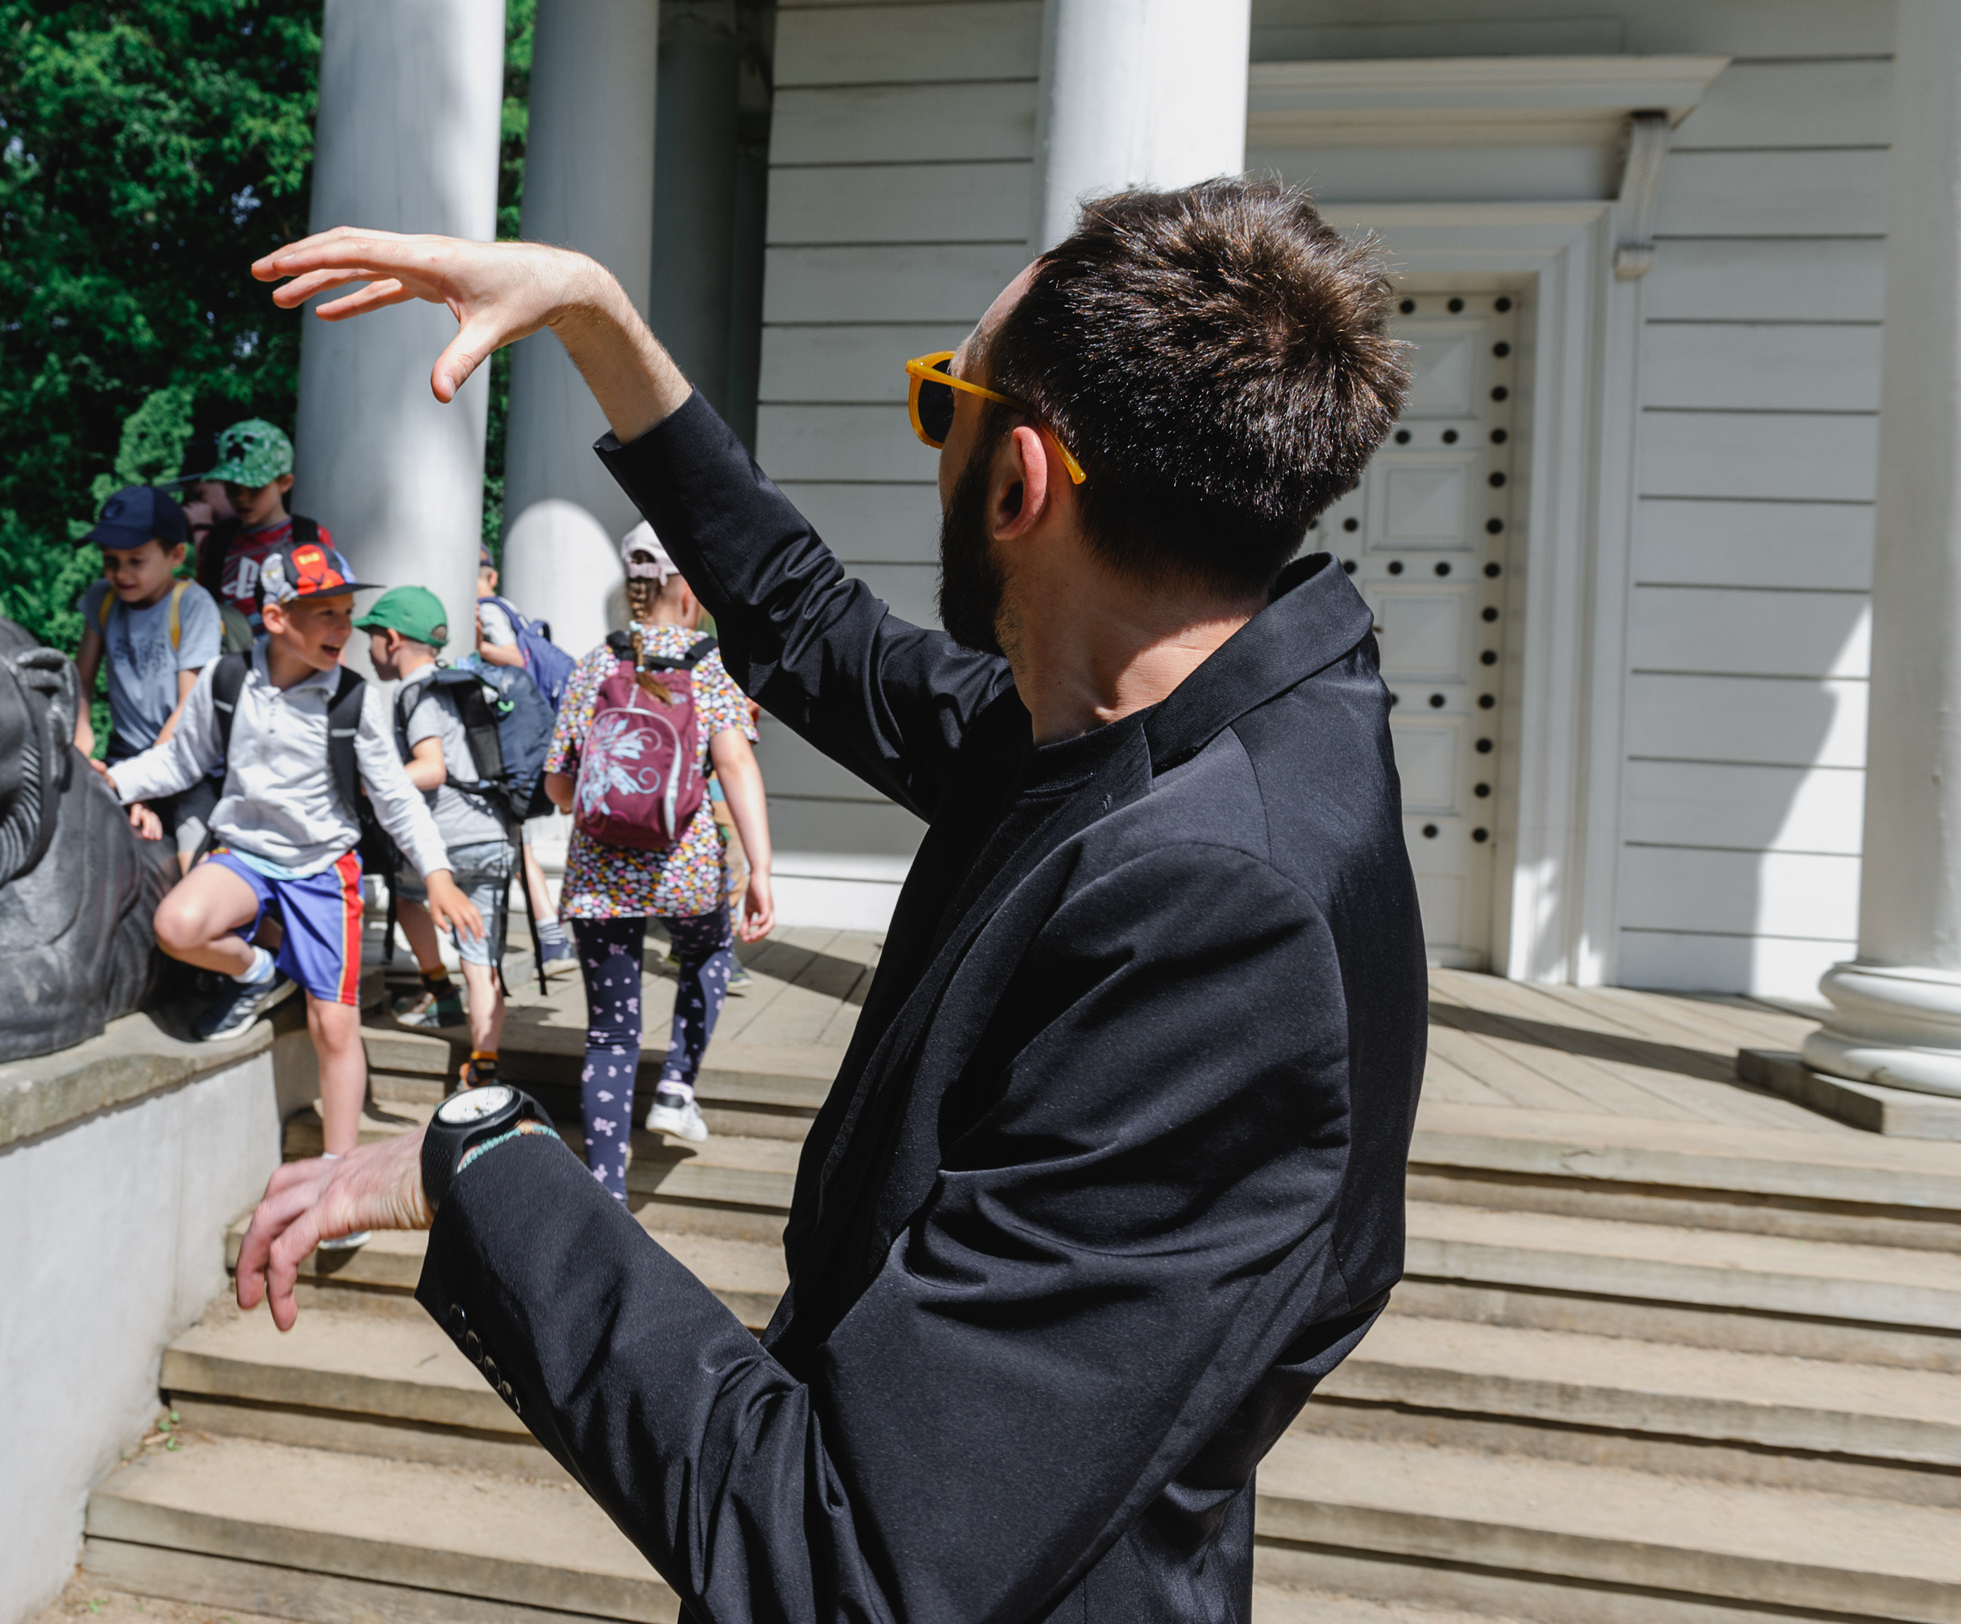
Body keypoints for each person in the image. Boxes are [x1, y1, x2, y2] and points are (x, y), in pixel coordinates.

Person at [235, 178, 1427, 1624]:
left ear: (1019, 484)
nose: (934, 441)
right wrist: (600, 321)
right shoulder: (1126, 725)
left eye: (947, 402)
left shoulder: (1219, 914)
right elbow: (812, 627)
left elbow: (845, 1556)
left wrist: (476, 1167)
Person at [106, 543, 485, 1241]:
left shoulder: (352, 699)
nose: (343, 628)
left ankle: (342, 1182)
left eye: (347, 612)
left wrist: (435, 874)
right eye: (326, 614)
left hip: (320, 870)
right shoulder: (226, 682)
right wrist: (112, 781)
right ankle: (256, 973)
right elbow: (177, 760)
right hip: (245, 854)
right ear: (276, 618)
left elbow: (398, 798)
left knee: (333, 1025)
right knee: (178, 925)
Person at [543, 521, 774, 1180]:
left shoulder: (595, 664)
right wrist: (758, 868)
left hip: (596, 876)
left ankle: (605, 1194)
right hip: (685, 869)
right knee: (707, 948)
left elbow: (560, 788)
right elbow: (736, 768)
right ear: (690, 593)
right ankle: (676, 1086)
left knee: (610, 1033)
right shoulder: (708, 666)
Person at [356, 586, 515, 1081]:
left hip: (446, 839)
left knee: (406, 898)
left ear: (393, 639)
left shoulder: (417, 691)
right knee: (480, 947)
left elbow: (431, 769)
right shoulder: (459, 684)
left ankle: (440, 992)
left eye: (372, 637)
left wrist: (370, 783)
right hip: (492, 835)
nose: (368, 649)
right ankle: (484, 1059)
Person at [74, 482, 225, 858]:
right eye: (110, 561)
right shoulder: (102, 599)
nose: (120, 573)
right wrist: (80, 739)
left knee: (195, 857)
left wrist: (143, 788)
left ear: (175, 554)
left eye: (135, 561)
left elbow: (186, 708)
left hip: (184, 761)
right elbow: (81, 682)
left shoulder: (192, 606)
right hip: (122, 754)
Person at [474, 545, 576, 968]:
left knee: (521, 847)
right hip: (524, 739)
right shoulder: (510, 608)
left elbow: (513, 659)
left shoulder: (488, 610)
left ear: (489, 576)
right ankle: (551, 940)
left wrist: (478, 648)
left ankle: (550, 942)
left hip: (507, 743)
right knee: (521, 848)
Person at [195, 418, 336, 619]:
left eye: (254, 487)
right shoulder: (217, 541)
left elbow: (328, 609)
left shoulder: (311, 538)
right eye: (232, 487)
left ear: (284, 482)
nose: (242, 497)